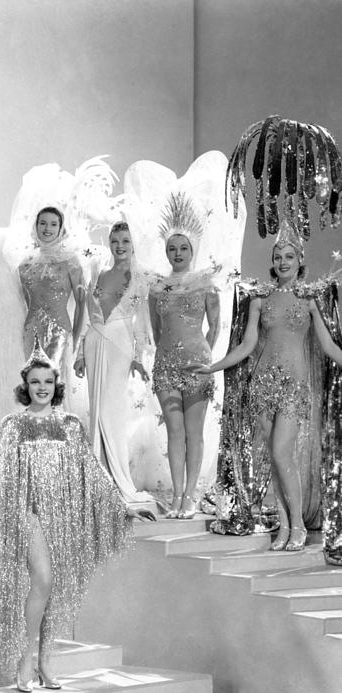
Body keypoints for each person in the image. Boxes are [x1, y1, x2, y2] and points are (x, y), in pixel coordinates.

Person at [0, 358, 154, 691]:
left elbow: (92, 471)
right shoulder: (13, 425)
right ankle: (25, 659)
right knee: (43, 578)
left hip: (62, 514)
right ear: (26, 386)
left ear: (56, 386)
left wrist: (123, 508)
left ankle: (46, 663)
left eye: (47, 382)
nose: (41, 388)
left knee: (53, 590)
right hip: (27, 513)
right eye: (35, 382)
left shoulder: (70, 425)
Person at [191, 222, 342, 551]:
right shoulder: (260, 300)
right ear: (273, 261)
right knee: (275, 459)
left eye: (289, 256)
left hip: (293, 386)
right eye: (278, 256)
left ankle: (299, 523)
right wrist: (212, 367)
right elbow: (247, 347)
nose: (283, 261)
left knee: (281, 452)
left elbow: (329, 348)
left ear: (300, 260)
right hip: (264, 385)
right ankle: (285, 526)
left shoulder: (310, 298)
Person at [148, 194, 219, 518]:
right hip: (165, 366)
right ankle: (176, 495)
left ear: (193, 251)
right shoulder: (157, 288)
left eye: (183, 248)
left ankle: (191, 495)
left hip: (197, 365)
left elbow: (215, 328)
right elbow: (156, 330)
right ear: (166, 252)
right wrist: (167, 356)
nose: (178, 254)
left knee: (194, 433)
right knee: (174, 432)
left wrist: (203, 361)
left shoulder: (206, 284)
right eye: (172, 249)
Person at [74, 221, 153, 504]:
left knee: (111, 410)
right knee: (96, 409)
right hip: (95, 342)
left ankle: (117, 477)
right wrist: (81, 354)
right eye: (115, 241)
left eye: (125, 241)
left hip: (120, 344)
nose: (120, 246)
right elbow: (87, 317)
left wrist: (139, 357)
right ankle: (99, 476)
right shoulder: (100, 273)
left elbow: (142, 322)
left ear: (133, 244)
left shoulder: (139, 278)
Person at [19, 207, 85, 363]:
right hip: (31, 331)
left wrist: (76, 338)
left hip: (59, 332)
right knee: (33, 382)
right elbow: (27, 302)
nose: (47, 228)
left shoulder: (70, 260)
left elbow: (81, 303)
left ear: (60, 228)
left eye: (53, 224)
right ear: (36, 226)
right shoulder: (26, 263)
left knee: (54, 381)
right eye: (43, 223)